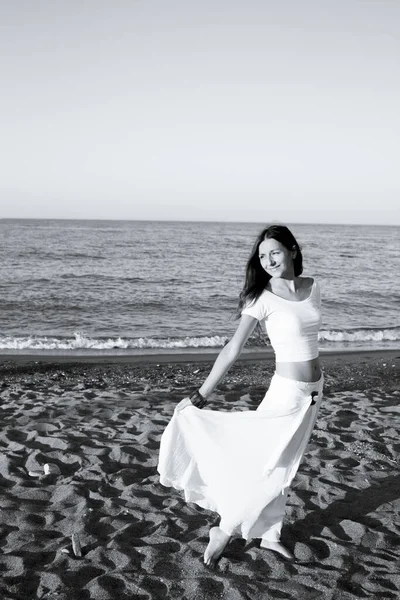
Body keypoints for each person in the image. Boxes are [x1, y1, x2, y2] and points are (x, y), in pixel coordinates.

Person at [157, 224, 323, 568]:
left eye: (275, 252)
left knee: (287, 467)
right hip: (287, 394)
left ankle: (272, 535)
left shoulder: (313, 287)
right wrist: (201, 395)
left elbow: (308, 337)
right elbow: (233, 349)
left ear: (292, 250)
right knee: (268, 466)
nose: (268, 260)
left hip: (314, 392)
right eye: (262, 256)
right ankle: (225, 529)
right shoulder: (262, 298)